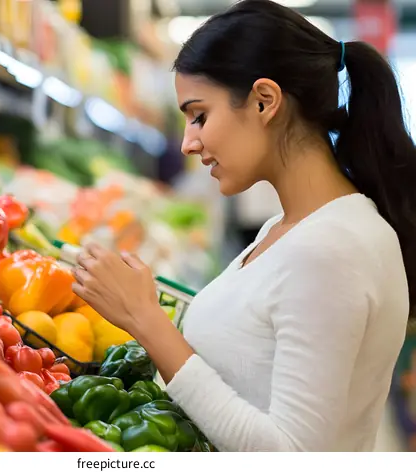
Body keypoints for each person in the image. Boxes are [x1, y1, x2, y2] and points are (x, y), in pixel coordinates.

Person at [71, 0, 416, 452]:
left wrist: (148, 321)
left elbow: (292, 453)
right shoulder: (289, 227)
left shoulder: (331, 248)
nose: (188, 143)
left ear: (264, 101)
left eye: (199, 116)